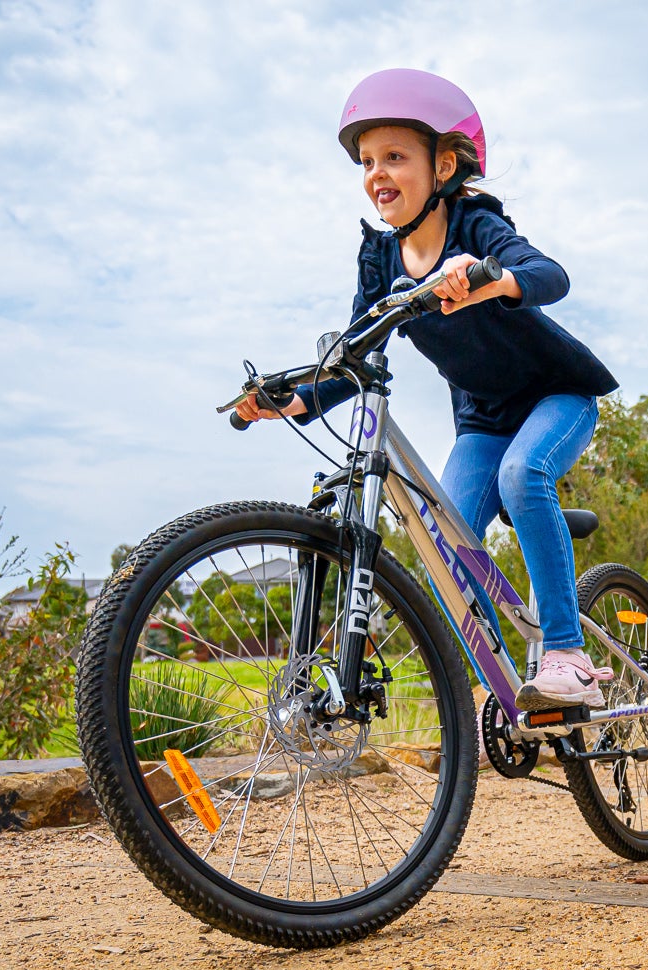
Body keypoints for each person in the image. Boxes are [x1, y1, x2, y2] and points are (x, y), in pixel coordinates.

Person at [239, 69, 619, 710]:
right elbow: (354, 355)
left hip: (556, 396)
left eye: (395, 156)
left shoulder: (474, 226)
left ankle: (566, 653)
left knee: (523, 478)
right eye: (367, 161)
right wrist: (294, 400)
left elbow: (549, 274)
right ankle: (501, 691)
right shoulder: (380, 262)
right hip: (482, 421)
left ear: (443, 164)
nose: (376, 173)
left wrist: (492, 278)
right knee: (448, 549)